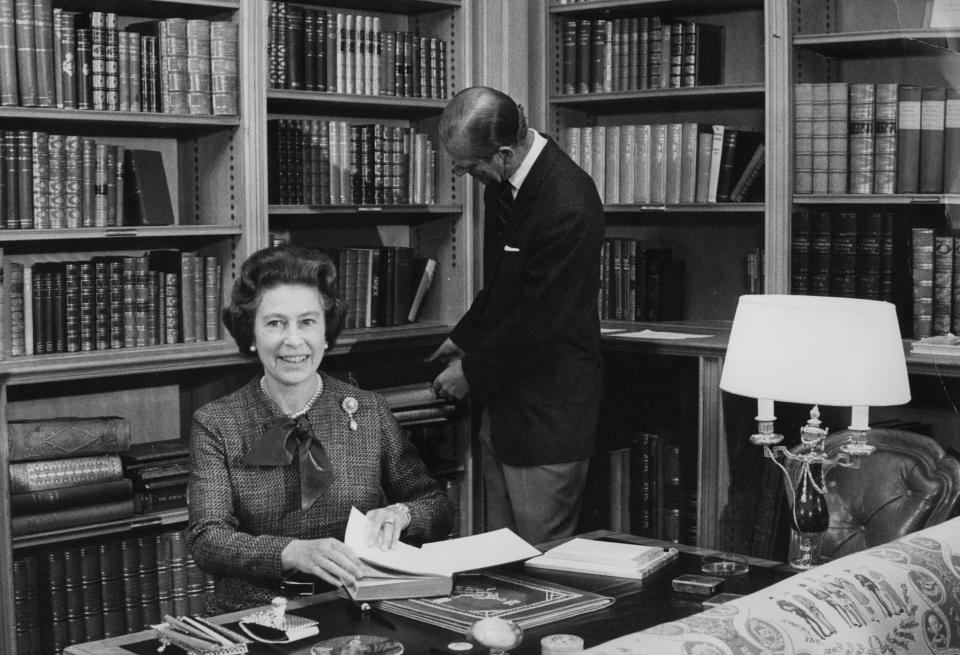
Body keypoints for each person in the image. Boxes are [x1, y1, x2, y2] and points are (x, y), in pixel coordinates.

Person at [186, 245, 453, 614]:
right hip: (256, 612)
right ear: (251, 334)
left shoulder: (369, 410)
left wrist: (403, 514)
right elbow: (206, 539)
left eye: (307, 322)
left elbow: (436, 506)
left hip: (358, 604)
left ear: (326, 333)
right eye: (275, 323)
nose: (293, 340)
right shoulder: (217, 422)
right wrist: (290, 552)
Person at [428, 86, 604, 545]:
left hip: (547, 419)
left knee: (541, 561)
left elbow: (539, 321)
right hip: (505, 410)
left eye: (471, 167)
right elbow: (504, 287)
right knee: (500, 556)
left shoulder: (568, 201)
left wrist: (470, 370)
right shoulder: (503, 185)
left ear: (504, 154)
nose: (469, 176)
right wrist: (464, 338)